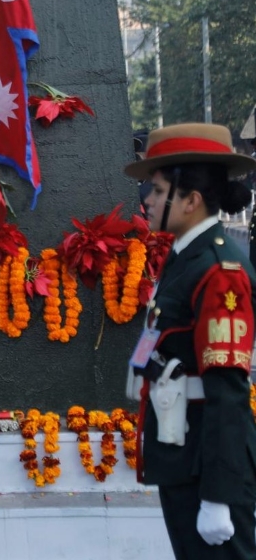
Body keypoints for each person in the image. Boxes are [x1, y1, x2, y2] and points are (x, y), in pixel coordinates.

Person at [124, 123, 256, 559]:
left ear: (192, 200)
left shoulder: (219, 271)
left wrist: (219, 495)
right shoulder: (185, 256)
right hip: (183, 453)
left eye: (159, 191)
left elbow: (228, 391)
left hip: (207, 464)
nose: (148, 200)